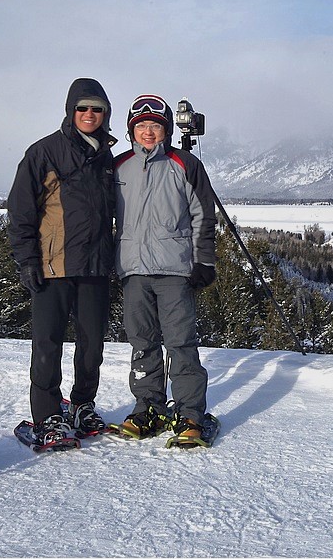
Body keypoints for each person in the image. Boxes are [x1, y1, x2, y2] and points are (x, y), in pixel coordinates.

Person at [8, 78, 116, 447]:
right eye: (83, 108)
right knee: (48, 343)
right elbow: (21, 211)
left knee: (92, 345)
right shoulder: (44, 152)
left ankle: (83, 404)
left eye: (97, 109)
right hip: (52, 266)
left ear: (106, 114)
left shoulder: (106, 158)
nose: (89, 115)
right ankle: (48, 414)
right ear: (71, 111)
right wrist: (27, 260)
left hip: (96, 266)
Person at [114, 93, 219, 444]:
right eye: (141, 125)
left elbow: (203, 215)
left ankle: (189, 413)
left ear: (167, 130)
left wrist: (204, 261)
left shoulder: (184, 163)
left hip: (175, 270)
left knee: (180, 344)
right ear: (131, 130)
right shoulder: (119, 166)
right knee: (141, 343)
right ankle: (148, 407)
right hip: (133, 270)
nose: (148, 131)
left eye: (155, 126)